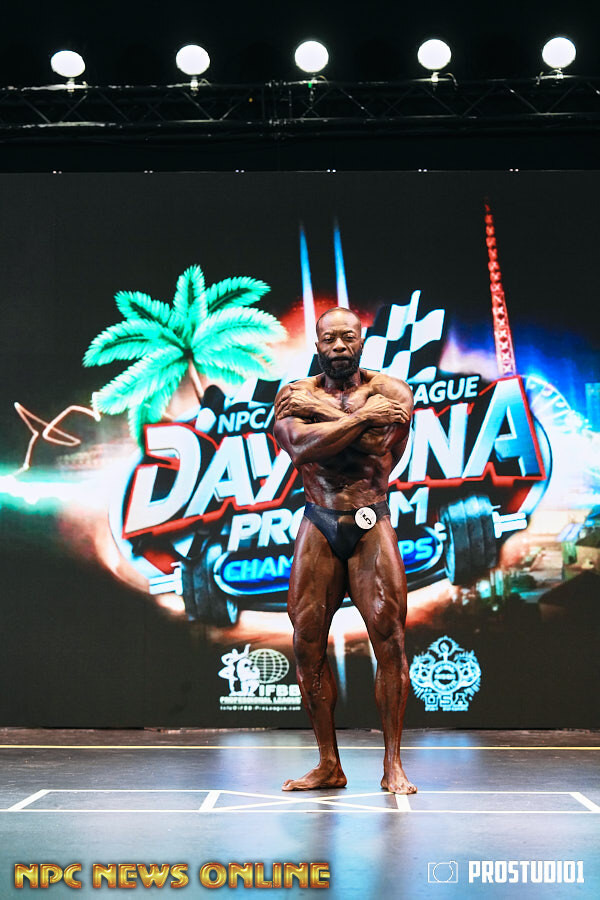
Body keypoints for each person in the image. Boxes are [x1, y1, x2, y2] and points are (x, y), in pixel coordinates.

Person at [273, 306, 416, 795]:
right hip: (319, 520)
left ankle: (393, 764)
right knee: (307, 643)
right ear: (317, 345)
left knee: (390, 640)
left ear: (361, 341)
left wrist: (328, 417)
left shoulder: (393, 391)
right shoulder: (292, 394)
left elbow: (377, 446)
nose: (338, 346)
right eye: (329, 339)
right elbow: (300, 449)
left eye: (347, 338)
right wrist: (362, 417)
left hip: (370, 519)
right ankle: (328, 764)